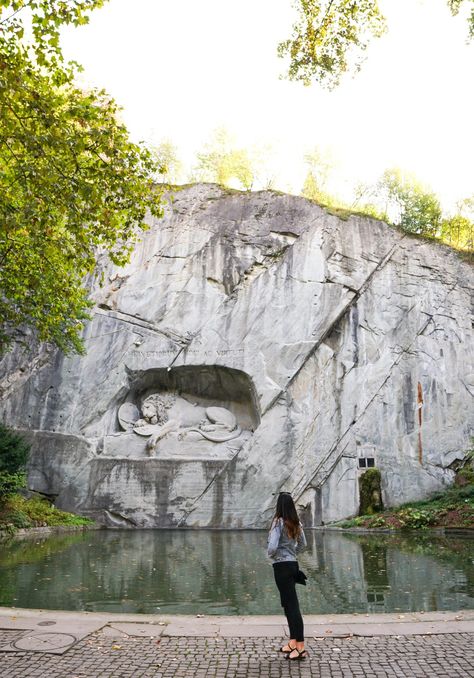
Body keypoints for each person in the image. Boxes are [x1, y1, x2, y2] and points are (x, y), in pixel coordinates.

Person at [267, 491, 308, 660]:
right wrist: (292, 554)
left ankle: (301, 647)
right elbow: (303, 545)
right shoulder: (296, 523)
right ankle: (293, 642)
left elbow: (272, 547)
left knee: (292, 607)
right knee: (288, 604)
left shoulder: (278, 522)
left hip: (281, 567)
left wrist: (273, 556)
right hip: (293, 565)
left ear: (279, 506)